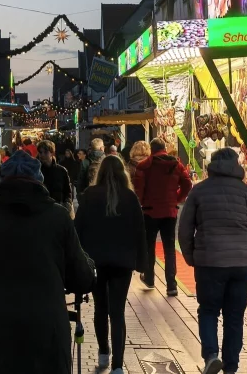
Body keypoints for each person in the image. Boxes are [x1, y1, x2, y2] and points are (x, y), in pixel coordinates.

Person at [0, 150, 96, 373]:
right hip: (45, 333)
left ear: (1, 181)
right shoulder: (58, 217)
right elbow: (82, 279)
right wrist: (89, 265)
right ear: (39, 180)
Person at [178, 147, 247, 374]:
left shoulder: (199, 192)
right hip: (242, 263)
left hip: (209, 260)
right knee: (234, 315)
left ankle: (211, 355)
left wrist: (191, 255)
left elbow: (184, 229)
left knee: (209, 310)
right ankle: (231, 365)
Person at [75, 155, 146, 374]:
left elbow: (77, 230)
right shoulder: (130, 197)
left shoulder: (89, 196)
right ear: (122, 173)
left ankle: (103, 352)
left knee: (100, 308)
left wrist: (77, 260)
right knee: (118, 312)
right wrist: (142, 263)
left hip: (96, 261)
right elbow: (140, 232)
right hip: (122, 262)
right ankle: (118, 365)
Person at [133, 138, 192, 296]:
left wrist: (141, 202)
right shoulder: (176, 165)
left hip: (149, 211)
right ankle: (171, 285)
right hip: (169, 212)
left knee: (149, 246)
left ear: (151, 150)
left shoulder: (144, 166)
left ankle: (150, 278)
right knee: (169, 248)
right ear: (164, 148)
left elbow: (139, 190)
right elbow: (187, 184)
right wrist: (177, 198)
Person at [37, 140, 73, 212]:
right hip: (40, 211)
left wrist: (67, 205)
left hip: (58, 210)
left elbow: (67, 192)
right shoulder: (36, 170)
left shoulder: (61, 171)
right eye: (40, 152)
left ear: (52, 153)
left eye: (45, 152)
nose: (42, 155)